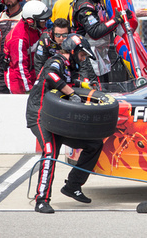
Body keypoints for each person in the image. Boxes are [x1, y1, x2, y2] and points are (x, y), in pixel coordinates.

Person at [26, 34, 104, 213]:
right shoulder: (57, 61)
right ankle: (42, 199)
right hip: (40, 115)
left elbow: (69, 80)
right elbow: (51, 75)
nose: (83, 59)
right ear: (73, 51)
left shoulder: (69, 67)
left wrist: (85, 85)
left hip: (58, 117)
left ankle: (73, 185)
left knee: (94, 144)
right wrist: (71, 93)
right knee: (50, 152)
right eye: (82, 55)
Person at [72, 0, 124, 83]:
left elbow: (105, 19)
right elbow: (94, 31)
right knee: (96, 89)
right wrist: (116, 20)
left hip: (100, 51)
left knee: (105, 86)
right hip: (86, 54)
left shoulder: (96, 0)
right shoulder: (84, 6)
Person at [5, 0, 51, 94]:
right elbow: (20, 67)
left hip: (33, 73)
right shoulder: (18, 38)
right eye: (42, 20)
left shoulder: (37, 29)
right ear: (31, 21)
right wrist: (28, 90)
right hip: (19, 82)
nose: (45, 22)